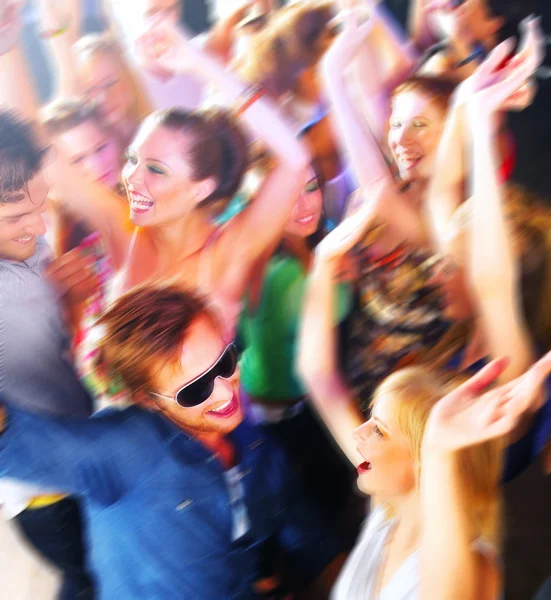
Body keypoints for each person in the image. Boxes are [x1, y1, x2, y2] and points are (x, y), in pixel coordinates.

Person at [0, 283, 345, 599]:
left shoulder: (251, 439)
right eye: (195, 390)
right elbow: (16, 444)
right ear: (148, 399)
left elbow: (305, 534)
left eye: (225, 361)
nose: (226, 391)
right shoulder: (120, 450)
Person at [0, 110, 96, 599]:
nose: (39, 226)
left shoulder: (30, 243)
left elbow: (63, 349)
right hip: (49, 495)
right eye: (18, 217)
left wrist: (73, 304)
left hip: (92, 457)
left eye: (41, 205)